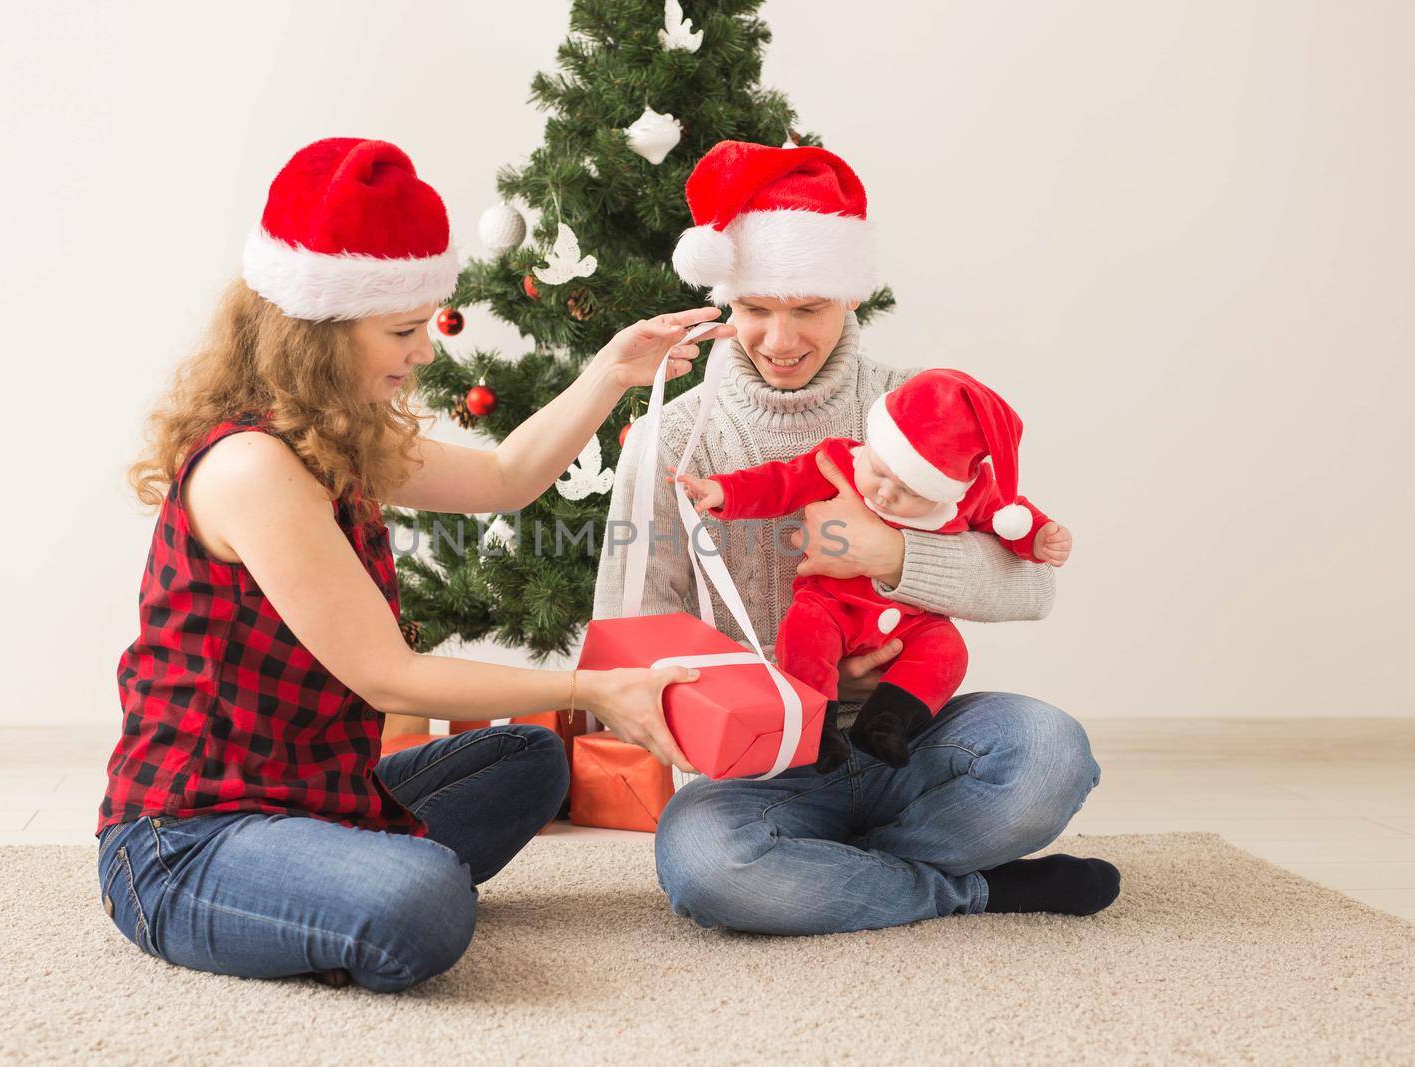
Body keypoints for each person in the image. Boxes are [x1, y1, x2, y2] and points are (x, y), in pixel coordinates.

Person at [97, 136, 731, 990]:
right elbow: (390, 679)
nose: (425, 352)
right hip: (186, 840)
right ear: (314, 335)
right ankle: (342, 889)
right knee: (427, 902)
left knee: (531, 763)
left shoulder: (332, 435)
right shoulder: (254, 468)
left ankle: (330, 880)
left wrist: (612, 371)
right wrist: (589, 689)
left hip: (315, 794)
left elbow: (506, 478)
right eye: (402, 330)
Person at [594, 139, 1119, 934]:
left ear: (850, 300)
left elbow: (1031, 585)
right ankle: (970, 885)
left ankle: (843, 872)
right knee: (704, 861)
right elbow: (629, 635)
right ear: (725, 304)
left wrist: (895, 558)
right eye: (756, 309)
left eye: (808, 307)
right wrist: (762, 699)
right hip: (768, 762)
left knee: (1051, 753)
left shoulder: (916, 405)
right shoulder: (670, 442)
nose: (780, 338)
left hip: (908, 733)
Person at [674, 368, 1073, 773]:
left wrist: (1038, 537)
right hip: (833, 605)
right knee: (805, 634)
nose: (885, 492)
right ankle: (816, 729)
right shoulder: (840, 462)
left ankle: (888, 723)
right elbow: (781, 482)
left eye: (911, 492)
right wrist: (724, 491)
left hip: (912, 620)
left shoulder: (967, 496)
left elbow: (1009, 515)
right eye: (879, 472)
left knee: (947, 652)